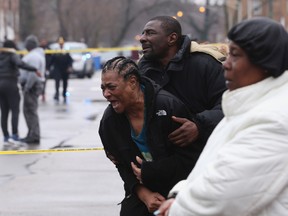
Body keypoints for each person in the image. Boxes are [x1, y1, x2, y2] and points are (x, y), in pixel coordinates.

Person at [156, 17, 288, 216]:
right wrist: (179, 194)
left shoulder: (275, 119)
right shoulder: (247, 107)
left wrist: (176, 208)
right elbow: (210, 170)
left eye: (235, 55)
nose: (226, 64)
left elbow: (225, 195)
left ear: (265, 63)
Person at [99, 56, 202, 215]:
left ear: (132, 82)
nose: (106, 94)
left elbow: (191, 161)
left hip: (181, 187)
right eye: (103, 88)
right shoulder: (109, 122)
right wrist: (144, 194)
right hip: (142, 189)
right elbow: (122, 165)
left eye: (111, 87)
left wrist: (151, 171)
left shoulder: (169, 107)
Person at [138, 16, 226, 155]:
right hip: (162, 164)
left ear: (172, 38)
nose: (142, 38)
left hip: (204, 157)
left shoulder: (205, 65)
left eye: (150, 33)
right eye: (143, 33)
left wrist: (199, 126)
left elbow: (228, 105)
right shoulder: (141, 72)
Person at [0, 40, 39, 146]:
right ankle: (14, 135)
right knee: (15, 110)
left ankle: (6, 136)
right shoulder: (12, 55)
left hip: (0, 85)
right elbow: (20, 64)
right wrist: (34, 69)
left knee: (4, 112)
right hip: (11, 83)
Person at [19, 35, 45, 144]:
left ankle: (34, 135)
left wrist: (27, 87)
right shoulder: (35, 54)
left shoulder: (34, 56)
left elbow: (33, 74)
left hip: (32, 86)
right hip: (32, 85)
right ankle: (31, 133)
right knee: (28, 111)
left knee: (30, 111)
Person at [49, 37, 73, 103]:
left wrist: (69, 67)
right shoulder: (56, 50)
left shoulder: (66, 51)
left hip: (65, 69)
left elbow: (70, 60)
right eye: (60, 44)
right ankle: (57, 94)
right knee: (57, 82)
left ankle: (64, 94)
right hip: (57, 69)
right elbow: (52, 60)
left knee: (65, 82)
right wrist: (48, 67)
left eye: (62, 44)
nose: (61, 45)